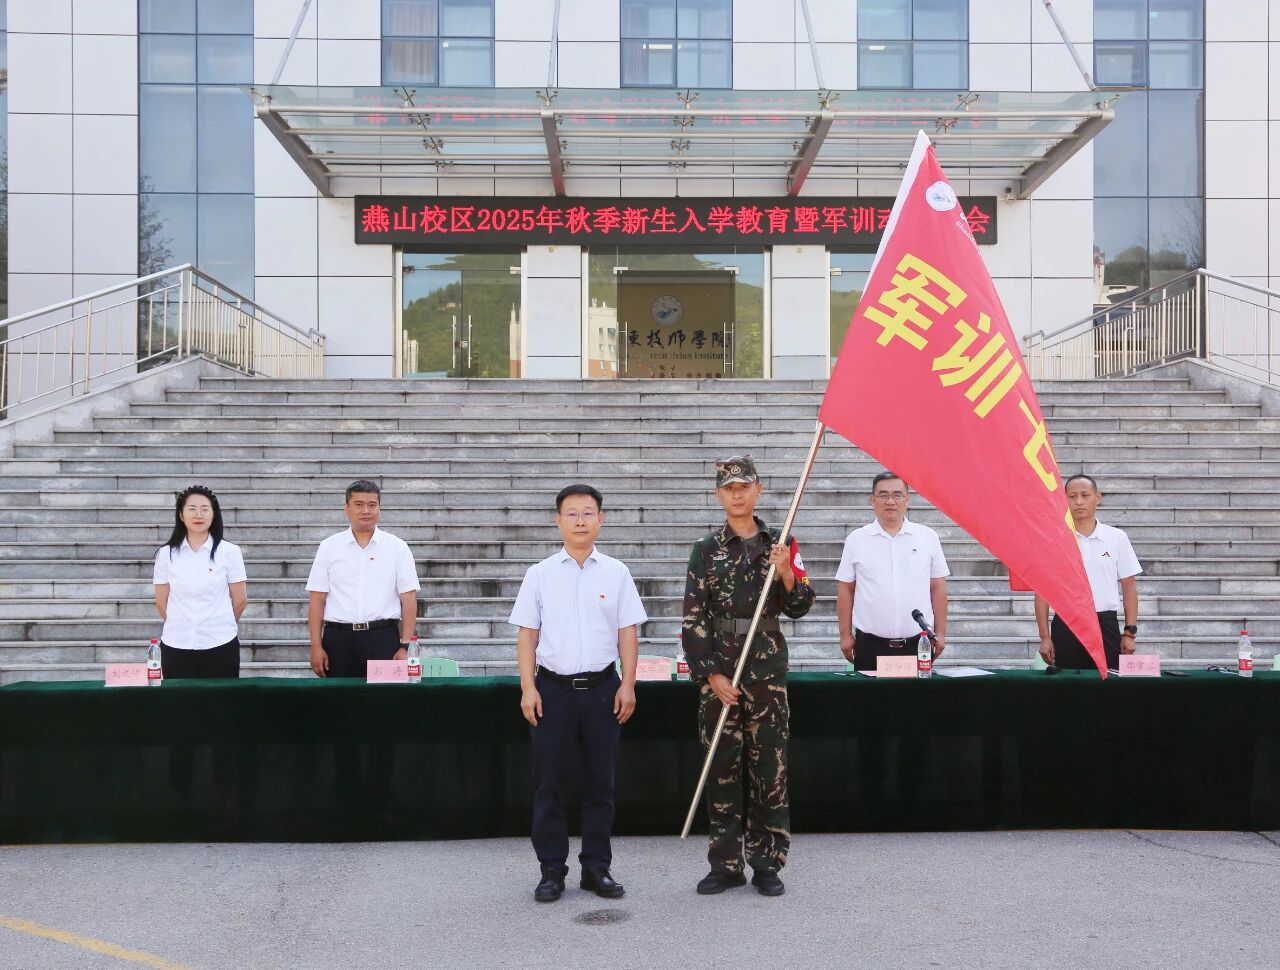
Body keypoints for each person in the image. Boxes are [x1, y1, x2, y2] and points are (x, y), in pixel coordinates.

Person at [682, 455, 815, 898]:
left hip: (765, 672)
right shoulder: (706, 548)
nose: (737, 493)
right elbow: (693, 619)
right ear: (719, 495)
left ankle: (767, 862)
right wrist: (711, 675)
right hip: (721, 671)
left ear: (757, 489)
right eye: (729, 487)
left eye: (744, 485)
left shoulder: (781, 542)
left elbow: (800, 606)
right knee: (721, 770)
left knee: (768, 770)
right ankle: (725, 864)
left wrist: (785, 574)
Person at [510, 484, 646, 904]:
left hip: (603, 689)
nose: (581, 520)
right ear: (558, 520)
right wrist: (528, 687)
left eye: (588, 513)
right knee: (549, 783)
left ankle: (596, 868)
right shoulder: (540, 573)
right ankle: (551, 870)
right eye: (572, 513)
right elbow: (527, 635)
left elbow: (628, 632)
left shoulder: (616, 572)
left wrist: (628, 683)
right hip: (553, 690)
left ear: (600, 520)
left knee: (599, 783)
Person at [836, 471, 950, 672]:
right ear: (873, 500)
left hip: (918, 642)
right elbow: (846, 589)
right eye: (883, 495)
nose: (890, 501)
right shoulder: (857, 539)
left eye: (897, 495)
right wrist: (845, 635)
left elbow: (938, 586)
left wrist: (940, 632)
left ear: (907, 499)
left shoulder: (927, 537)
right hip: (870, 644)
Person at [306, 480, 420, 678]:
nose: (366, 510)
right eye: (359, 505)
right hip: (338, 640)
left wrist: (405, 646)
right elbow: (317, 599)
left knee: (384, 702)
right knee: (339, 703)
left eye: (372, 505)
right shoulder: (329, 547)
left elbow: (408, 598)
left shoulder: (397, 547)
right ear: (347, 508)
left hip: (383, 639)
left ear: (379, 508)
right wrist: (316, 645)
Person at [1035, 474, 1142, 671]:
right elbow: (1042, 591)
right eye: (1072, 496)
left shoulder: (1116, 538)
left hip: (1105, 624)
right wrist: (1044, 637)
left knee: (1106, 683)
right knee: (1068, 688)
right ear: (1064, 499)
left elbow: (1129, 587)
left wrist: (1129, 633)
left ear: (1097, 497)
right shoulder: (1054, 539)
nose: (1079, 501)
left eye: (1085, 495)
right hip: (1066, 624)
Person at [153, 485, 247, 678]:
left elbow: (240, 600)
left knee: (221, 705)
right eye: (192, 509)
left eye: (205, 509)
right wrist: (182, 623)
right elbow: (161, 602)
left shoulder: (229, 552)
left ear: (214, 515)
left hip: (220, 643)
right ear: (181, 515)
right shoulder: (166, 554)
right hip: (176, 644)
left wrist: (220, 624)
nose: (199, 514)